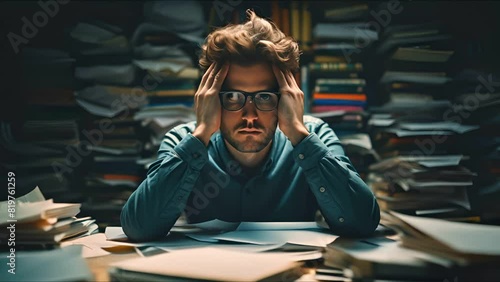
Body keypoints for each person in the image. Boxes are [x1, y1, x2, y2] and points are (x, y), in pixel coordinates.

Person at [121, 10, 380, 242]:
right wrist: (200, 136)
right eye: (232, 97)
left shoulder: (315, 134)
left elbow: (362, 222)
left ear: (286, 97)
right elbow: (139, 228)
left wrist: (300, 136)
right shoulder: (183, 140)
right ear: (210, 97)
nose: (249, 116)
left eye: (264, 97)